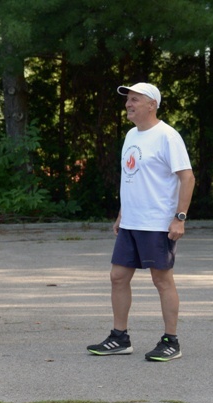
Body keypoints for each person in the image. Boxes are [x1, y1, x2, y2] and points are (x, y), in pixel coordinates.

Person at [87, 83, 195, 361]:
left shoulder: (167, 136)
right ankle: (120, 337)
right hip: (132, 222)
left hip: (157, 223)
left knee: (162, 280)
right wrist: (123, 212)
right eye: (127, 100)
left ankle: (171, 341)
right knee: (117, 276)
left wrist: (179, 218)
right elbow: (131, 177)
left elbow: (187, 178)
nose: (128, 104)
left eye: (135, 99)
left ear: (152, 105)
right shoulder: (131, 135)